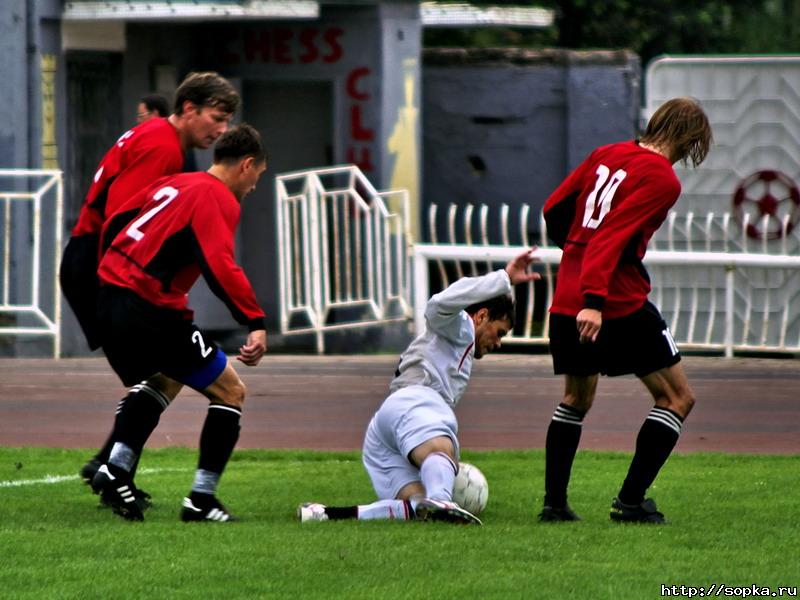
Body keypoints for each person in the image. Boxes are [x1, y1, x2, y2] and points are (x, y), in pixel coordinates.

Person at [59, 72, 239, 502]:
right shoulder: (162, 147)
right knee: (165, 372)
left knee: (164, 373)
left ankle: (110, 466)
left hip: (98, 260)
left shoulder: (160, 138)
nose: (222, 130)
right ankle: (111, 469)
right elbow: (124, 219)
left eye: (228, 121)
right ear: (189, 109)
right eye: (217, 118)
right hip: (101, 263)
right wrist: (124, 285)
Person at [539, 97, 713, 524]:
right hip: (616, 303)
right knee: (677, 397)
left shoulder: (607, 153)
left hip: (567, 295)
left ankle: (555, 505)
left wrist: (574, 256)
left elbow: (553, 209)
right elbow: (611, 237)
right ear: (691, 140)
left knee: (575, 399)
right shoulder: (662, 179)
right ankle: (631, 502)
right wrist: (595, 301)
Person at [89, 123, 268, 522]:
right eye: (258, 175)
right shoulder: (217, 197)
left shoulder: (176, 182)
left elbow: (118, 219)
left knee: (165, 378)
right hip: (147, 306)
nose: (255, 185)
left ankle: (115, 467)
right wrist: (254, 320)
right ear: (247, 165)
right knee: (230, 391)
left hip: (111, 295)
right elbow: (220, 265)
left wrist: (111, 275)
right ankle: (200, 501)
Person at [298, 249, 540, 525]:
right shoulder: (458, 326)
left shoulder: (460, 347)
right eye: (500, 333)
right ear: (482, 316)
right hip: (415, 405)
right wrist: (504, 278)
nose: (498, 343)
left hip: (385, 431)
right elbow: (438, 304)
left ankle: (325, 514)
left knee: (417, 507)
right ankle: (442, 498)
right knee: (441, 450)